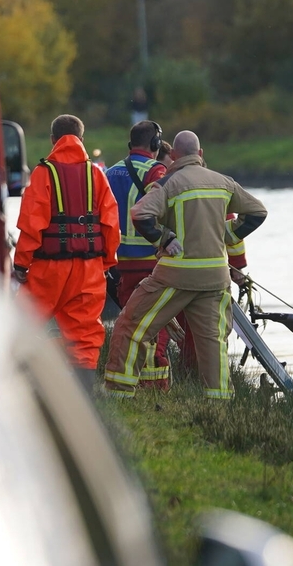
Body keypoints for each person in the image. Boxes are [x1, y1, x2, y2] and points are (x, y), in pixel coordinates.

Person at [104, 131, 267, 399]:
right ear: (200, 154)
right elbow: (258, 212)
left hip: (175, 275)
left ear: (174, 156)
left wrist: (164, 238)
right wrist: (227, 233)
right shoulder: (223, 182)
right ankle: (220, 400)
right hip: (216, 279)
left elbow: (140, 213)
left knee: (131, 324)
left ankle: (119, 390)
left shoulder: (169, 183)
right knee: (213, 343)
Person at [12, 114, 120, 393]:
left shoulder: (43, 173)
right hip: (89, 269)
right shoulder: (96, 174)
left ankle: (22, 388)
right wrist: (106, 261)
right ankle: (84, 394)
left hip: (48, 269)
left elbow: (31, 224)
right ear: (82, 140)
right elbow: (110, 223)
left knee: (22, 323)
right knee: (84, 335)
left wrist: (21, 263)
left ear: (52, 140)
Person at [104, 120, 171, 389]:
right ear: (155, 145)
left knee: (130, 322)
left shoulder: (109, 172)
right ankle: (155, 387)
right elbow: (167, 211)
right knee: (155, 324)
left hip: (118, 264)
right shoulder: (156, 171)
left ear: (130, 144)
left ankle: (128, 377)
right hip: (150, 262)